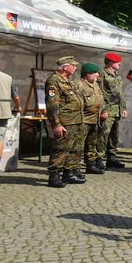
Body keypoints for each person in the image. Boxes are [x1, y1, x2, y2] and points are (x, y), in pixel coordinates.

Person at [44, 56, 84, 187]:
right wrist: (56, 124)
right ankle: (54, 175)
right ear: (66, 67)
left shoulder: (67, 80)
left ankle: (69, 172)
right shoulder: (54, 81)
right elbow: (52, 105)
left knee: (74, 148)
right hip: (65, 121)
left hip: (76, 120)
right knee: (60, 148)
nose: (75, 68)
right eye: (73, 65)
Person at [75, 63, 106, 176]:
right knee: (78, 145)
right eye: (95, 73)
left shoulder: (95, 85)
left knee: (92, 144)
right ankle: (75, 167)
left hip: (95, 119)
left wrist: (103, 111)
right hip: (83, 120)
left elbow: (101, 99)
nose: (98, 75)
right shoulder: (79, 85)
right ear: (88, 74)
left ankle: (90, 164)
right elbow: (76, 103)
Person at [98, 53, 127, 170]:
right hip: (107, 110)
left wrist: (123, 108)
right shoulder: (102, 75)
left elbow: (121, 94)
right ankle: (98, 158)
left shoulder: (117, 76)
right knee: (103, 135)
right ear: (110, 62)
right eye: (117, 62)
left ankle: (111, 158)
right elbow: (99, 94)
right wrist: (103, 110)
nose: (120, 63)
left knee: (114, 135)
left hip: (116, 110)